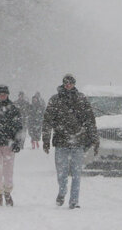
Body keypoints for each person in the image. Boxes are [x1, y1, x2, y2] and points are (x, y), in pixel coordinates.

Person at [42, 74, 99, 209]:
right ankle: (62, 191)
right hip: (61, 142)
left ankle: (74, 201)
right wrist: (46, 139)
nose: (68, 85)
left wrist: (94, 138)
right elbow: (47, 121)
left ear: (74, 84)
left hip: (78, 142)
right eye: (66, 83)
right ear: (63, 84)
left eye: (70, 83)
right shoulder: (55, 100)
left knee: (76, 174)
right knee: (61, 174)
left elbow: (90, 121)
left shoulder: (81, 99)